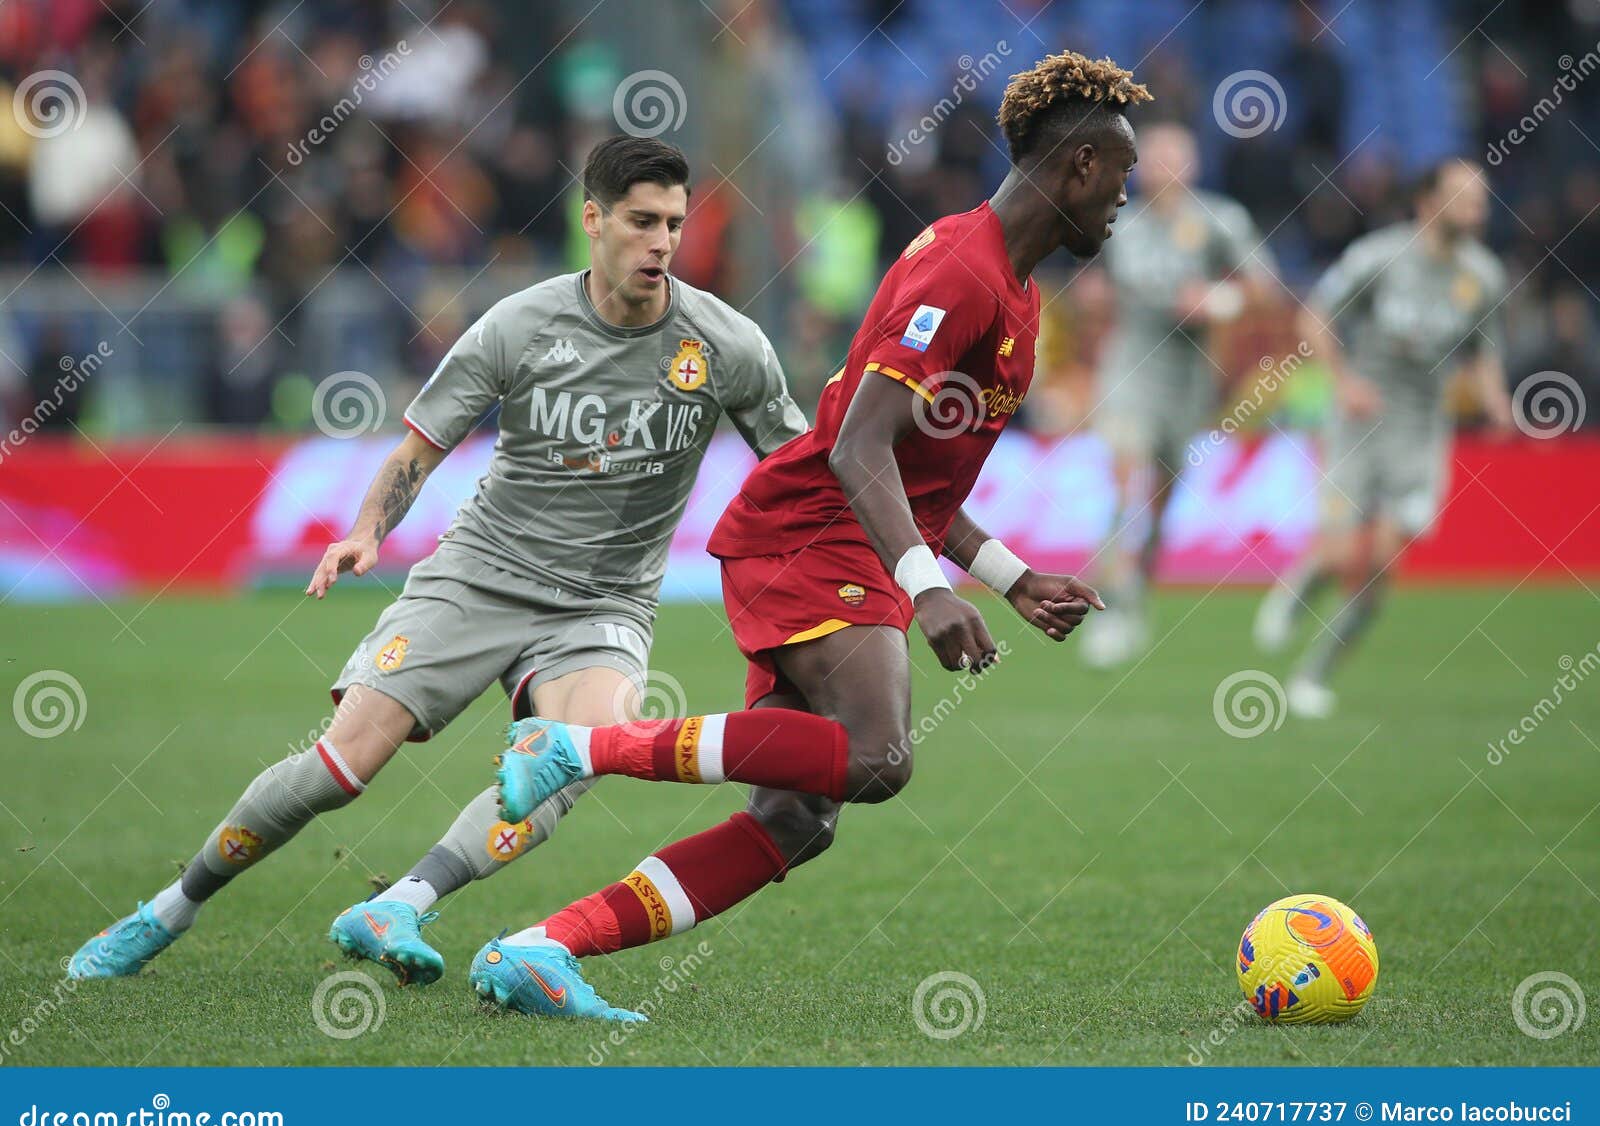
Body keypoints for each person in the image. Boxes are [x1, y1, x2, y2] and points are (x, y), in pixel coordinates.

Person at [472, 49, 1149, 1022]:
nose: (1125, 198)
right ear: (1080, 164)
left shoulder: (1010, 286)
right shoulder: (960, 273)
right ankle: (576, 743)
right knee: (878, 756)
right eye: (1121, 174)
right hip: (814, 533)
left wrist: (1006, 572)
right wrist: (927, 588)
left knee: (794, 819)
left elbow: (909, 472)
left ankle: (542, 947)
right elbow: (858, 447)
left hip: (842, 531)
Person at [66, 135, 807, 984]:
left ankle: (402, 902)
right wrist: (366, 531)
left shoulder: (725, 343)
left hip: (604, 603)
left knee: (571, 757)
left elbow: (795, 469)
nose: (662, 243)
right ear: (593, 220)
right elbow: (420, 449)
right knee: (341, 765)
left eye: (674, 223)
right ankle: (171, 906)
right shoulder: (522, 325)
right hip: (482, 573)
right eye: (642, 221)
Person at [1253, 158, 1512, 717]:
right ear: (1428, 201)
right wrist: (1343, 382)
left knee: (1384, 563)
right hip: (1359, 421)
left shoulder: (1483, 276)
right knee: (1342, 551)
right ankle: (1299, 587)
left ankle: (1314, 675)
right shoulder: (1380, 258)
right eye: (1464, 198)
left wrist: (1496, 399)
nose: (1477, 210)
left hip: (1420, 431)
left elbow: (1484, 350)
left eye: (1481, 199)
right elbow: (1315, 316)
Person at [1079, 121, 1276, 668]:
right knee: (1125, 474)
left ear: (1192, 166)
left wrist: (1217, 301)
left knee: (1163, 497)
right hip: (1130, 367)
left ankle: (1138, 587)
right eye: (1152, 159)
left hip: (1188, 375)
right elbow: (1093, 287)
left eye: (1174, 157)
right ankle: (1113, 604)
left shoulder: (1220, 219)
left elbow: (1263, 288)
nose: (1162, 169)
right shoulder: (1118, 220)